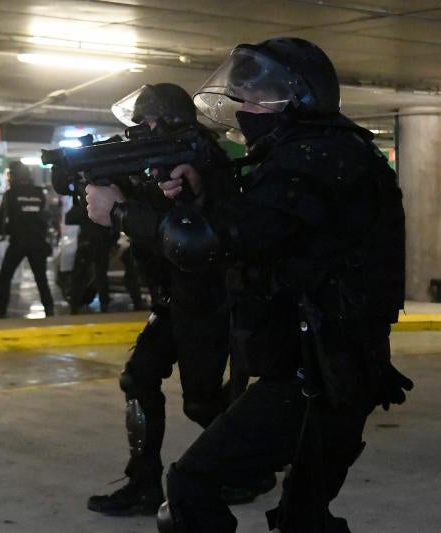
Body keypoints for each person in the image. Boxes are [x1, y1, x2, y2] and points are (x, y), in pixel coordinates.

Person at [152, 38, 411, 532]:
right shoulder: (321, 152)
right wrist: (205, 193)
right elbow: (272, 230)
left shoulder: (316, 158)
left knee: (190, 487)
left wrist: (123, 213)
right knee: (302, 520)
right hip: (326, 370)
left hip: (319, 377)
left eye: (253, 99)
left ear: (295, 100)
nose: (243, 110)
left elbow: (230, 240)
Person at [84, 83, 272, 517]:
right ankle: (143, 481)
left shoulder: (204, 161)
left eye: (148, 123)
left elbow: (199, 238)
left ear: (167, 122)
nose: (141, 132)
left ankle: (252, 465)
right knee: (138, 377)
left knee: (202, 402)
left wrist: (126, 208)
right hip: (173, 299)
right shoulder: (160, 162)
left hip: (208, 302)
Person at [0, 161, 55, 319]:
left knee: (5, 276)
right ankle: (49, 310)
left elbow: (1, 220)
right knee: (41, 277)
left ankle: (2, 311)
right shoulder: (39, 192)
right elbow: (46, 216)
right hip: (37, 242)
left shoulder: (10, 194)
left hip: (18, 242)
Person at [64, 202, 115, 313]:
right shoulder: (106, 200)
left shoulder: (84, 201)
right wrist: (112, 242)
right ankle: (104, 304)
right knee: (101, 274)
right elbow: (114, 222)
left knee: (79, 275)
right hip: (102, 243)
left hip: (86, 243)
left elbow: (69, 218)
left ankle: (75, 304)